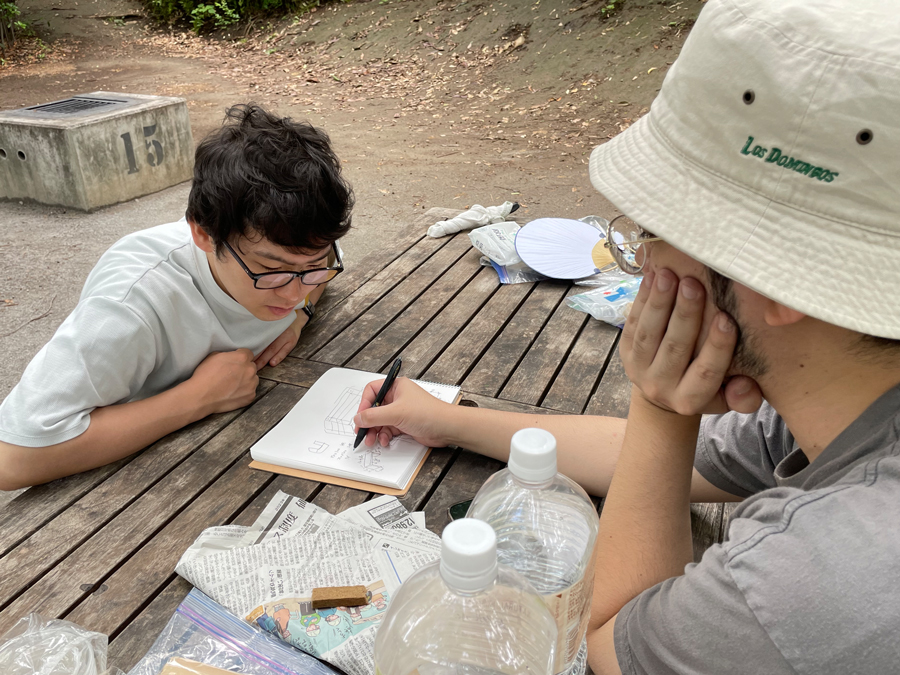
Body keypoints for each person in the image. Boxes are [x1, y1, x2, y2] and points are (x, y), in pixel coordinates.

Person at [355, 0, 900, 671]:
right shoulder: (840, 394)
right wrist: (449, 420)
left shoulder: (817, 578)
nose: (640, 262)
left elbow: (603, 643)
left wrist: (661, 405)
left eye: (651, 235)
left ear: (780, 283)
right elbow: (665, 461)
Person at [0, 104, 353, 490]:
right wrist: (199, 397)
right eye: (271, 271)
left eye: (311, 268)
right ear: (203, 234)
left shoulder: (301, 253)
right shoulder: (132, 303)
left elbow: (322, 266)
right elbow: (12, 459)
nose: (294, 290)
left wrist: (300, 316)